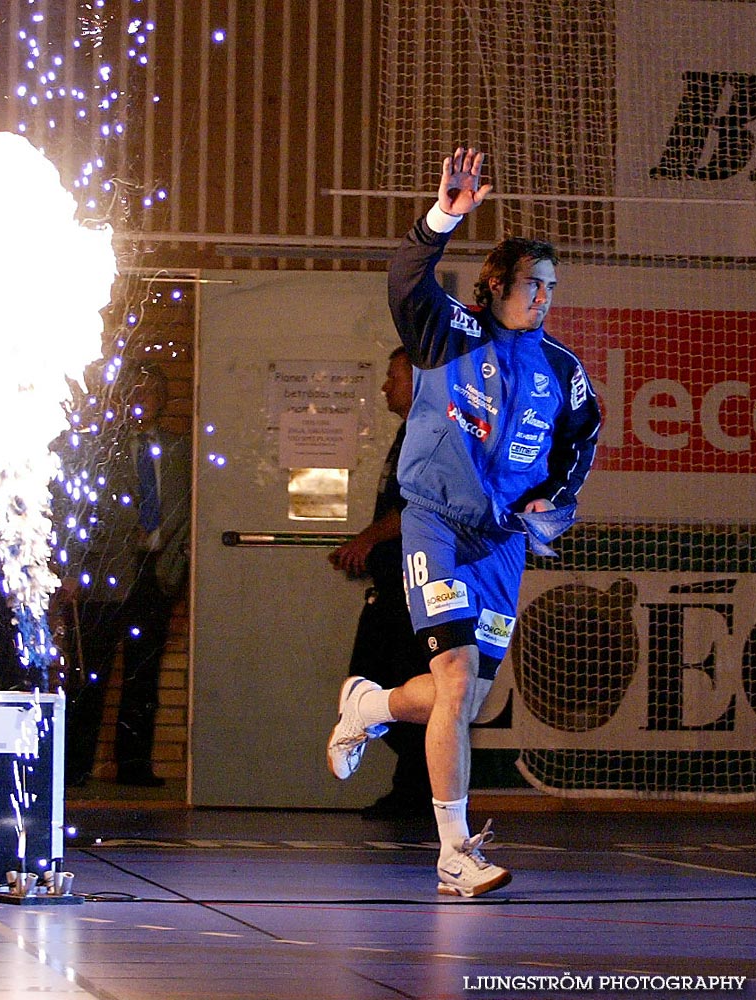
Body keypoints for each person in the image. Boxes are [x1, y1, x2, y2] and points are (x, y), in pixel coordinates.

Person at [326, 148, 600, 896]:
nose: (542, 298)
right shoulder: (448, 331)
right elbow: (405, 278)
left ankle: (371, 703)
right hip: (436, 526)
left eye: (550, 287)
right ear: (496, 286)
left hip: (503, 545)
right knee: (454, 676)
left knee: (465, 696)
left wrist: (556, 500)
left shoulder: (563, 371)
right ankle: (453, 853)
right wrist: (444, 214)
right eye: (530, 285)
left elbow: (578, 447)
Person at [58, 362, 192, 787]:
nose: (142, 397)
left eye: (151, 390)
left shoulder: (179, 449)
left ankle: (133, 767)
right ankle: (74, 765)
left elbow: (189, 511)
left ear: (163, 400)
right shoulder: (101, 448)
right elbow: (74, 511)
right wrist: (70, 570)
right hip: (103, 574)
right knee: (89, 674)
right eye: (134, 389)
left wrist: (181, 565)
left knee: (143, 675)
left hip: (157, 574)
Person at [328, 346, 433, 821]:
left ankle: (419, 792)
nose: (386, 387)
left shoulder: (430, 433)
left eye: (394, 377)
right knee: (366, 676)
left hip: (418, 589)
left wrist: (367, 539)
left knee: (411, 684)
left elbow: (416, 507)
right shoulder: (405, 431)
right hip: (391, 584)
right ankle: (411, 787)